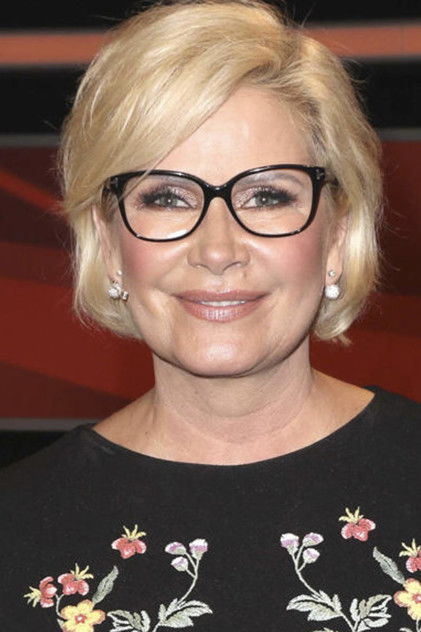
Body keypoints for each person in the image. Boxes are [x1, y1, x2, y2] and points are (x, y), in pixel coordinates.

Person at [0, 1, 420, 630]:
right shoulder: (15, 527)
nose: (218, 250)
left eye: (267, 195)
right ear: (109, 242)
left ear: (336, 236)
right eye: (167, 197)